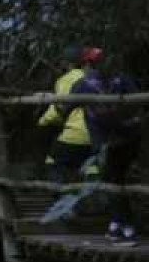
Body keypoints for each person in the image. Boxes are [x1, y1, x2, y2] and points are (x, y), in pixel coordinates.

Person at [79, 66, 143, 242]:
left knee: (113, 182)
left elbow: (63, 108)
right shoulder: (123, 77)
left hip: (111, 141)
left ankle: (128, 230)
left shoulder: (84, 84)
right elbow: (137, 102)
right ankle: (116, 224)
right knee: (116, 181)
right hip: (128, 136)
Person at [39, 45, 103, 182]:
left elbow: (58, 110)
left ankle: (61, 198)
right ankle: (90, 191)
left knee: (53, 162)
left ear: (65, 63)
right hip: (98, 135)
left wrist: (43, 121)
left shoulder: (65, 80)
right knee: (91, 166)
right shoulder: (96, 77)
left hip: (75, 133)